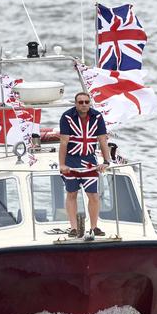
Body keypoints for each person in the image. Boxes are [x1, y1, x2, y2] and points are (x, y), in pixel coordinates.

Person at [59, 92, 112, 238]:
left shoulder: (97, 117)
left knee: (93, 195)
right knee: (71, 193)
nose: (83, 104)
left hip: (89, 161)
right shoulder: (67, 117)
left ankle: (94, 227)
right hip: (71, 160)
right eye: (80, 102)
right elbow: (63, 142)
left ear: (90, 103)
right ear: (75, 103)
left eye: (86, 102)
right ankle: (73, 228)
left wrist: (106, 161)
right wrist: (62, 164)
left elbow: (102, 140)